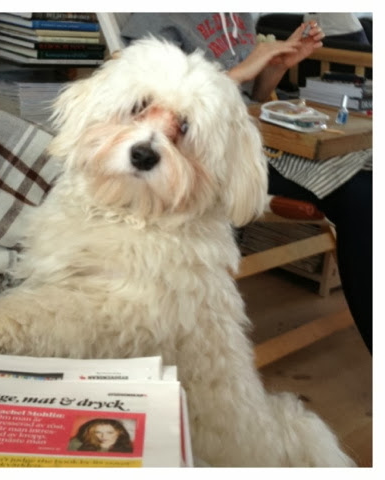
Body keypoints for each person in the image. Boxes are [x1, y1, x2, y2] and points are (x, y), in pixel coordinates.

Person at [120, 13, 372, 354]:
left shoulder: (237, 16)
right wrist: (244, 69)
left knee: (369, 181)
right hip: (207, 153)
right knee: (362, 198)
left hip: (259, 135)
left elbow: (255, 96)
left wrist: (275, 67)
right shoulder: (161, 16)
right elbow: (153, 105)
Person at [68, 418, 134, 452]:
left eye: (109, 432)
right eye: (98, 432)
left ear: (119, 432)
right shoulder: (76, 443)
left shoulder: (130, 448)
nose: (103, 436)